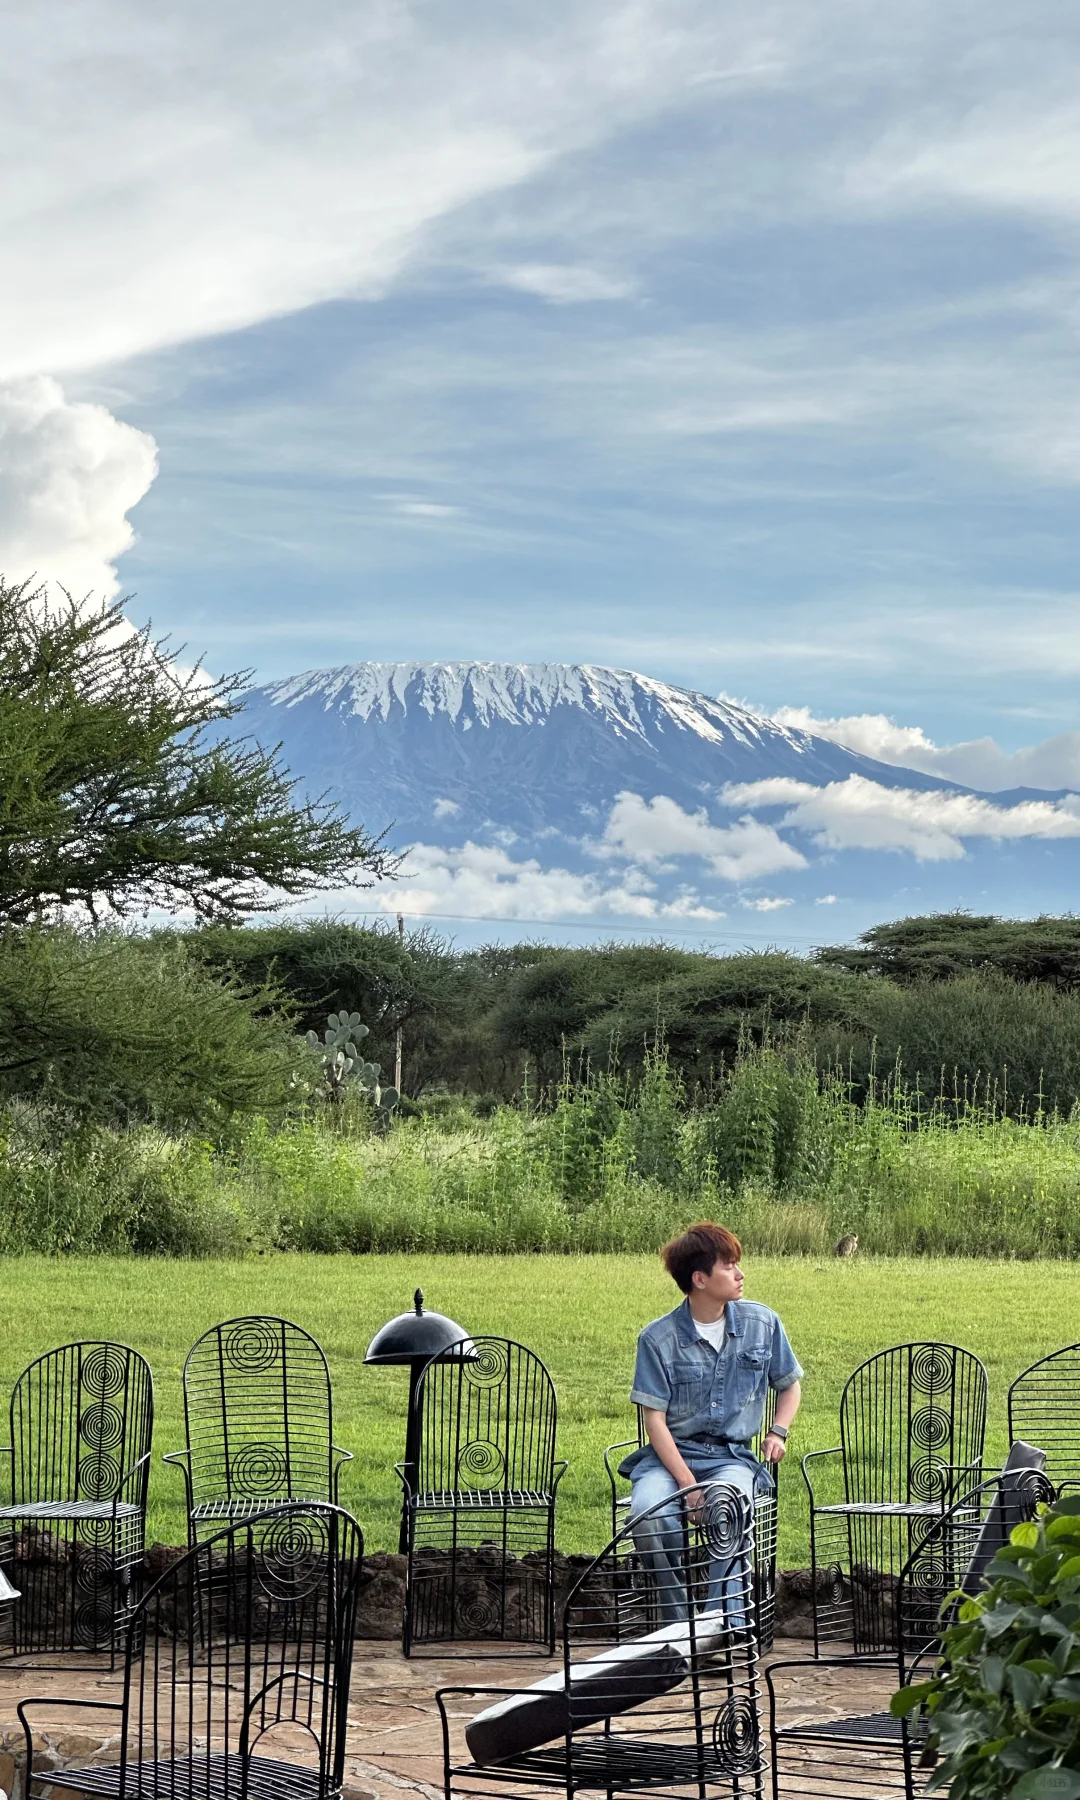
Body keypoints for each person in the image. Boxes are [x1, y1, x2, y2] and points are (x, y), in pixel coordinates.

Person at [622, 1221, 803, 1624]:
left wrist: (778, 1431)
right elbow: (655, 1422)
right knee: (648, 1514)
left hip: (731, 1458)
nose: (741, 1275)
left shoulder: (762, 1323)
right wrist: (687, 1486)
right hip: (670, 1460)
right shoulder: (657, 1339)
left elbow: (789, 1387)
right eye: (729, 1267)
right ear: (699, 1279)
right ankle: (676, 1625)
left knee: (729, 1506)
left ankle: (720, 1625)